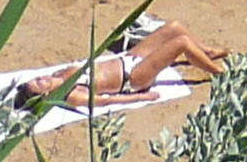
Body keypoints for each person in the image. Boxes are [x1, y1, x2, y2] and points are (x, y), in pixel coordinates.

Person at [14, 20, 228, 108]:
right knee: (181, 43)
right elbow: (107, 101)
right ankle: (218, 72)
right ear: (45, 95)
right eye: (40, 83)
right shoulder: (72, 94)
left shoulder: (61, 73)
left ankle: (206, 51)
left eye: (37, 78)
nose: (41, 77)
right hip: (134, 77)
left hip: (127, 59)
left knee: (174, 27)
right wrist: (142, 97)